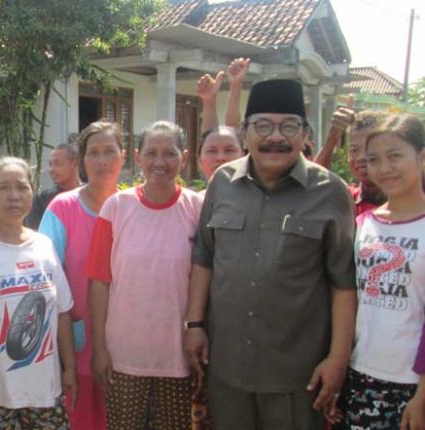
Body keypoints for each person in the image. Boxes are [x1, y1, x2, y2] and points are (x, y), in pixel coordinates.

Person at [185, 79, 357, 430]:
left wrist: (337, 359)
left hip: (296, 372)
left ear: (306, 134)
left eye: (288, 127)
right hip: (228, 364)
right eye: (262, 126)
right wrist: (195, 325)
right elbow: (204, 257)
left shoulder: (331, 192)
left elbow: (343, 283)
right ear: (245, 132)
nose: (275, 137)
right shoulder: (222, 182)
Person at [86, 121, 204, 429]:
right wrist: (99, 348)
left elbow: (206, 279)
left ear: (185, 157)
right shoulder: (116, 208)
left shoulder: (197, 208)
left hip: (179, 353)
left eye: (170, 153)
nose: (160, 162)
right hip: (123, 354)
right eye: (151, 153)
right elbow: (99, 283)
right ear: (138, 157)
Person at [0, 157, 77, 429]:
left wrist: (69, 369)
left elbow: (63, 312)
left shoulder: (44, 246)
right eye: (3, 188)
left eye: (22, 187)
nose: (14, 196)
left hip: (44, 390)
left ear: (32, 192)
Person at [339, 114, 425, 430]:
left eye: (395, 156)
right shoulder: (363, 225)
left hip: (412, 382)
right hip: (361, 374)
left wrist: (422, 394)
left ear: (422, 157)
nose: (384, 168)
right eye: (374, 159)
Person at [38, 121, 126, 430]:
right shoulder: (63, 208)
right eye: (94, 153)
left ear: (124, 157)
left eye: (110, 152)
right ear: (83, 161)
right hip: (76, 348)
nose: (102, 161)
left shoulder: (131, 208)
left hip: (126, 349)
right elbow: (44, 278)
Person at [313, 98, 386, 215]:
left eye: (370, 149)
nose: (361, 157)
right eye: (354, 150)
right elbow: (313, 185)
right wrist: (333, 137)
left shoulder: (411, 205)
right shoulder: (347, 200)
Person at [25, 143, 80, 229]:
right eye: (50, 164)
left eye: (57, 164)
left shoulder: (89, 195)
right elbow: (34, 235)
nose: (51, 170)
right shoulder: (40, 199)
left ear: (74, 164)